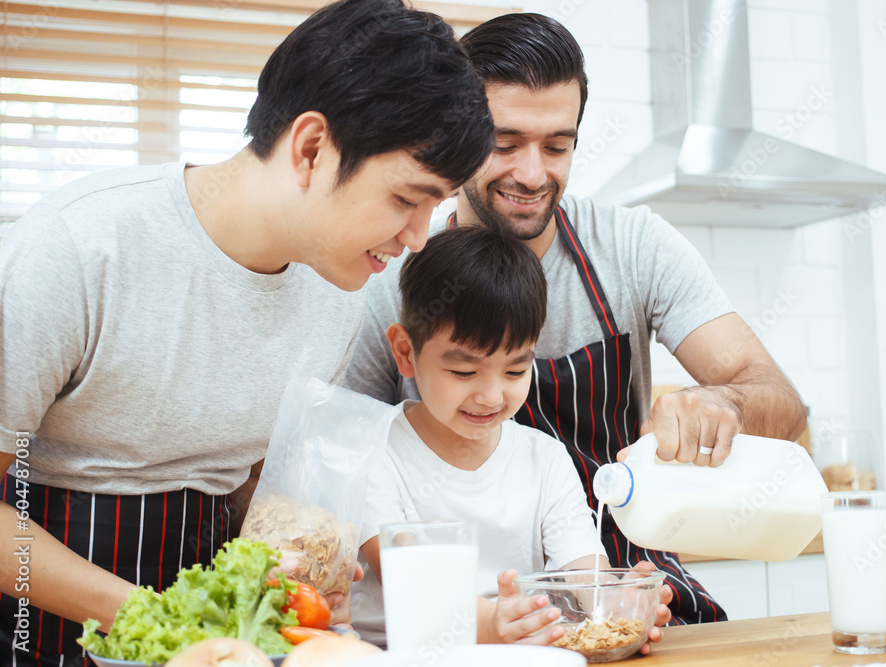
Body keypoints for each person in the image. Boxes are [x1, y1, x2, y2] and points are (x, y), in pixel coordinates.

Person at [0, 0, 493, 663]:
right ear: (311, 147)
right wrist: (162, 619)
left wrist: (295, 565)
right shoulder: (80, 247)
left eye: (436, 206)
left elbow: (241, 481)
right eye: (407, 199)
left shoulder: (341, 286)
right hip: (44, 630)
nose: (414, 237)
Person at [344, 13, 808, 625]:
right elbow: (342, 465)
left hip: (615, 573)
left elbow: (785, 403)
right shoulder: (395, 274)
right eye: (504, 144)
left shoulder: (635, 247)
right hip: (468, 604)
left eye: (557, 146)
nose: (533, 174)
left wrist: (727, 401)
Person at [349, 226, 670, 649]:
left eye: (516, 371)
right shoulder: (373, 452)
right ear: (406, 352)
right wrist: (487, 625)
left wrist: (617, 602)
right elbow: (411, 578)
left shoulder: (545, 459)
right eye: (464, 372)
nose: (492, 396)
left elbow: (582, 572)